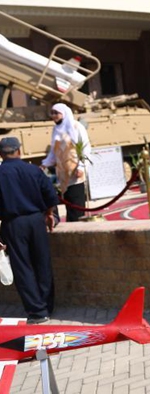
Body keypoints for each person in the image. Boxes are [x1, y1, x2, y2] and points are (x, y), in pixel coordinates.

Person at [0, 137, 59, 324]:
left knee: (22, 267)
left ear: (1, 154)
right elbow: (51, 195)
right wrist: (49, 214)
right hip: (36, 220)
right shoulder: (34, 170)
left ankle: (37, 312)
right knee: (43, 263)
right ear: (19, 151)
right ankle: (48, 305)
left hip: (13, 224)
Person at [41, 103, 91, 222]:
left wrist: (82, 167)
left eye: (56, 113)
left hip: (75, 172)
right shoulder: (56, 129)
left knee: (76, 204)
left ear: (63, 113)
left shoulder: (76, 126)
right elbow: (54, 152)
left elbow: (85, 148)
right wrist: (45, 164)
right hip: (63, 174)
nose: (53, 116)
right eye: (52, 113)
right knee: (68, 203)